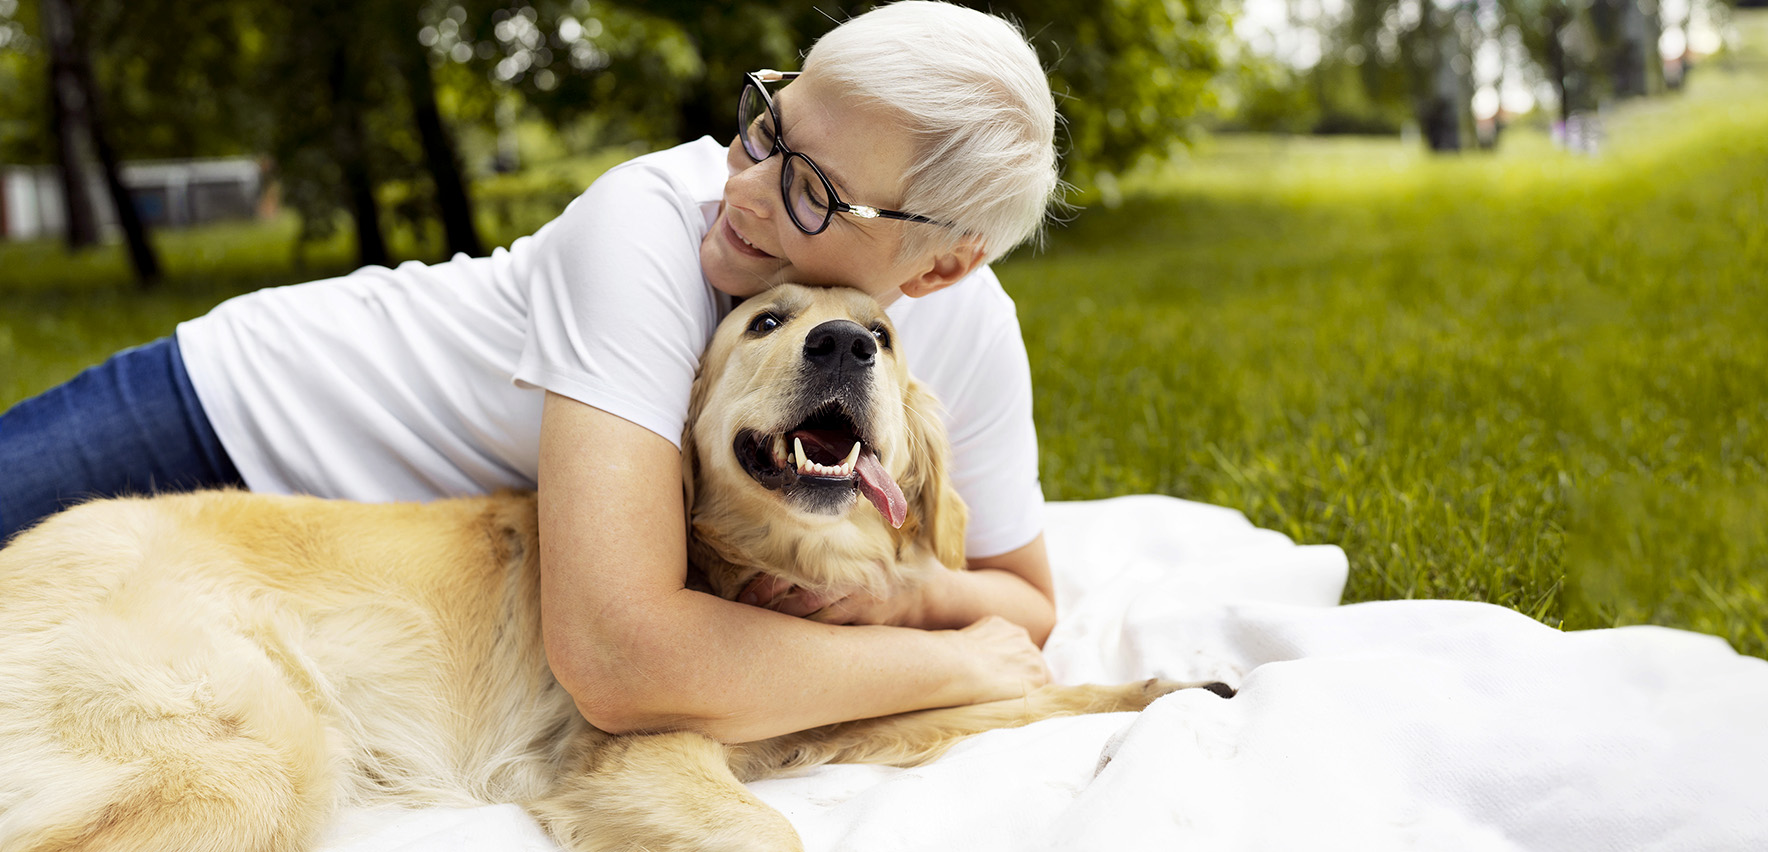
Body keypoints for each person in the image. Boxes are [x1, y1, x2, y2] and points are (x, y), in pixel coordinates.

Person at [0, 1, 1059, 743]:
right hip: (221, 411)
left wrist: (900, 603)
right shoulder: (648, 226)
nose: (746, 191)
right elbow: (620, 659)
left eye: (814, 192)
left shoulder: (965, 334)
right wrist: (951, 660)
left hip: (349, 575)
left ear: (946, 261)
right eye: (765, 128)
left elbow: (1022, 595)